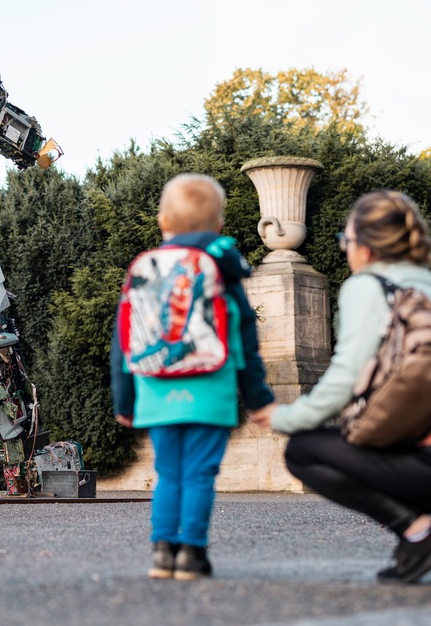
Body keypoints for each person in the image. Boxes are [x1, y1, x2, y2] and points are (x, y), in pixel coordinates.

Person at [249, 189, 431, 584]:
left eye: (344, 241)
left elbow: (346, 377)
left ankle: (421, 536)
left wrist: (287, 416)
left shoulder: (370, 284)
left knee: (304, 451)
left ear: (363, 248)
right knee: (397, 436)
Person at [112, 173, 277, 580]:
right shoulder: (223, 263)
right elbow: (244, 335)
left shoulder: (146, 268)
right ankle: (192, 555)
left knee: (169, 473)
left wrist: (124, 401)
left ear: (162, 222)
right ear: (218, 226)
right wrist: (258, 397)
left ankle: (163, 552)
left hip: (155, 389)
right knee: (200, 474)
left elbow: (123, 339)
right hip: (210, 390)